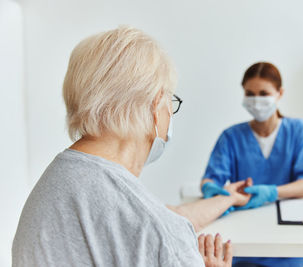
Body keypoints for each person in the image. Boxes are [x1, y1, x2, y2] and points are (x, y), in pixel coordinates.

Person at [12, 26, 251, 267]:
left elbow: (160, 218)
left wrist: (227, 198)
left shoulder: (59, 181)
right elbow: (158, 228)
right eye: (171, 102)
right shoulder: (158, 233)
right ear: (156, 106)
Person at [201, 62, 303, 267]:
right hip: (244, 240)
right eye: (249, 93)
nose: (256, 100)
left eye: (263, 93)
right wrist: (213, 190)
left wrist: (271, 192)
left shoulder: (298, 130)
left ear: (279, 93)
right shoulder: (231, 136)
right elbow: (210, 179)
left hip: (287, 242)